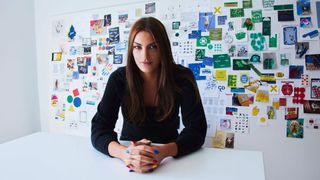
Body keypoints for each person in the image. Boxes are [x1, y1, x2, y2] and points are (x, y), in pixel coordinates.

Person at [91, 17, 207, 173]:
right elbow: (99, 128)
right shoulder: (118, 79)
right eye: (137, 47)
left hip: (170, 160)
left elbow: (197, 129)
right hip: (128, 156)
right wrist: (125, 154)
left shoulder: (182, 78)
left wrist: (163, 152)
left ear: (163, 48)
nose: (144, 56)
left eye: (152, 46)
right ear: (131, 50)